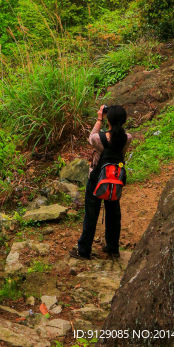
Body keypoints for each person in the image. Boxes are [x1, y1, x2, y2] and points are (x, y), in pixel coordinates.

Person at [71, 104, 132, 260]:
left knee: (91, 214)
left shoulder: (100, 139)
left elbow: (91, 137)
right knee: (113, 214)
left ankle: (83, 250)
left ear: (108, 120)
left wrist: (99, 118)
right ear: (124, 120)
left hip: (97, 180)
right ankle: (112, 248)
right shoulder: (127, 139)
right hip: (115, 181)